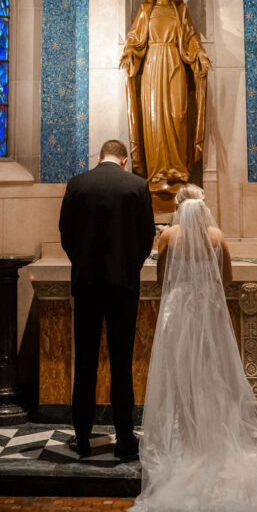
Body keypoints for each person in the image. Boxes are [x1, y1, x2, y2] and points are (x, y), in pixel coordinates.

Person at [130, 185, 257, 512]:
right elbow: (227, 278)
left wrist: (183, 291)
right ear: (203, 207)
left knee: (181, 379)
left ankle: (186, 444)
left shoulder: (168, 236)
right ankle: (213, 444)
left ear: (178, 207)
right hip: (208, 312)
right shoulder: (216, 235)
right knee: (213, 378)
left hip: (179, 313)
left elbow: (162, 280)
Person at [59, 138, 156, 460]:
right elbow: (146, 237)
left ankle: (83, 437)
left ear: (99, 157)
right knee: (121, 364)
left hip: (86, 285)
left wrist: (83, 263)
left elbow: (66, 233)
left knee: (85, 363)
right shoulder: (137, 186)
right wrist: (129, 268)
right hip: (123, 287)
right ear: (125, 160)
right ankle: (125, 440)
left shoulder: (78, 184)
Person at [120, 0, 211, 208]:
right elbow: (135, 39)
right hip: (152, 68)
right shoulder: (146, 10)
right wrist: (129, 53)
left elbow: (191, 38)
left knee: (178, 115)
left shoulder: (180, 10)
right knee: (154, 120)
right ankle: (158, 173)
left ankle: (178, 172)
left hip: (175, 66)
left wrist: (199, 53)